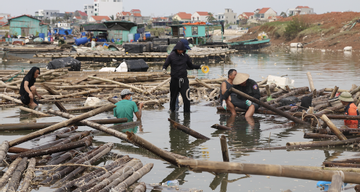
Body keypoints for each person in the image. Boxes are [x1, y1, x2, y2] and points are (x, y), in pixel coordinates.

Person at [162, 40, 202, 112]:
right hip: (174, 80)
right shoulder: (171, 56)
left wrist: (199, 67)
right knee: (173, 97)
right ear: (176, 49)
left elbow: (190, 65)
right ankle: (172, 112)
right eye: (179, 50)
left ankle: (187, 114)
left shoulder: (186, 57)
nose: (181, 51)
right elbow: (165, 65)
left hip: (184, 80)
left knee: (186, 97)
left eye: (182, 50)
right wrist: (164, 69)